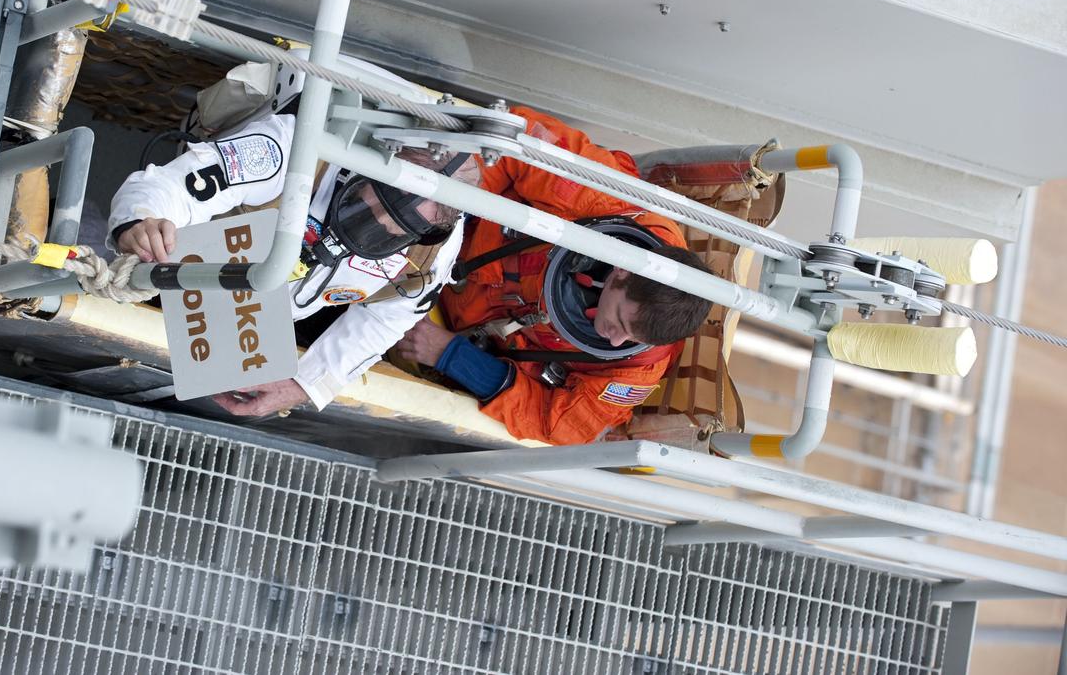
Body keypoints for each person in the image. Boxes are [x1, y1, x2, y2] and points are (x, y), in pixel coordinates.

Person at [108, 64, 480, 418]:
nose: (379, 221)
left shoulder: (434, 249)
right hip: (167, 275)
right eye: (382, 198)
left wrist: (309, 383)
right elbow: (179, 185)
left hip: (247, 328)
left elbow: (388, 319)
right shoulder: (294, 150)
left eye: (402, 223)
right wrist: (141, 221)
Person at [395, 106, 713, 445]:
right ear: (622, 270)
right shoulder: (609, 201)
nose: (615, 340)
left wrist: (453, 356)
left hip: (436, 325)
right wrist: (443, 209)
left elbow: (562, 426)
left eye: (632, 338)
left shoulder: (638, 366)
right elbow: (516, 141)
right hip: (444, 225)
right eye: (620, 321)